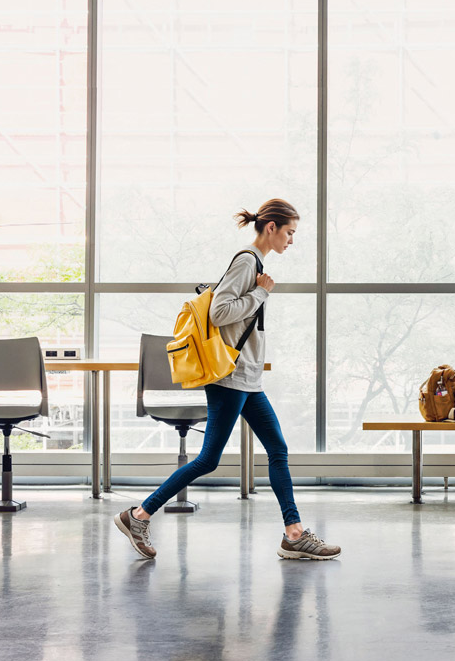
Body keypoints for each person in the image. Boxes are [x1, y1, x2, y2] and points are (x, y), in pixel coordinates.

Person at [114, 198, 340, 561]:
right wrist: (262, 292)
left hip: (247, 379)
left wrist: (258, 293)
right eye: (290, 233)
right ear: (271, 228)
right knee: (208, 460)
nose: (291, 241)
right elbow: (219, 312)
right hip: (230, 379)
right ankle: (138, 515)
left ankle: (294, 534)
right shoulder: (247, 261)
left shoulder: (256, 263)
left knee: (277, 450)